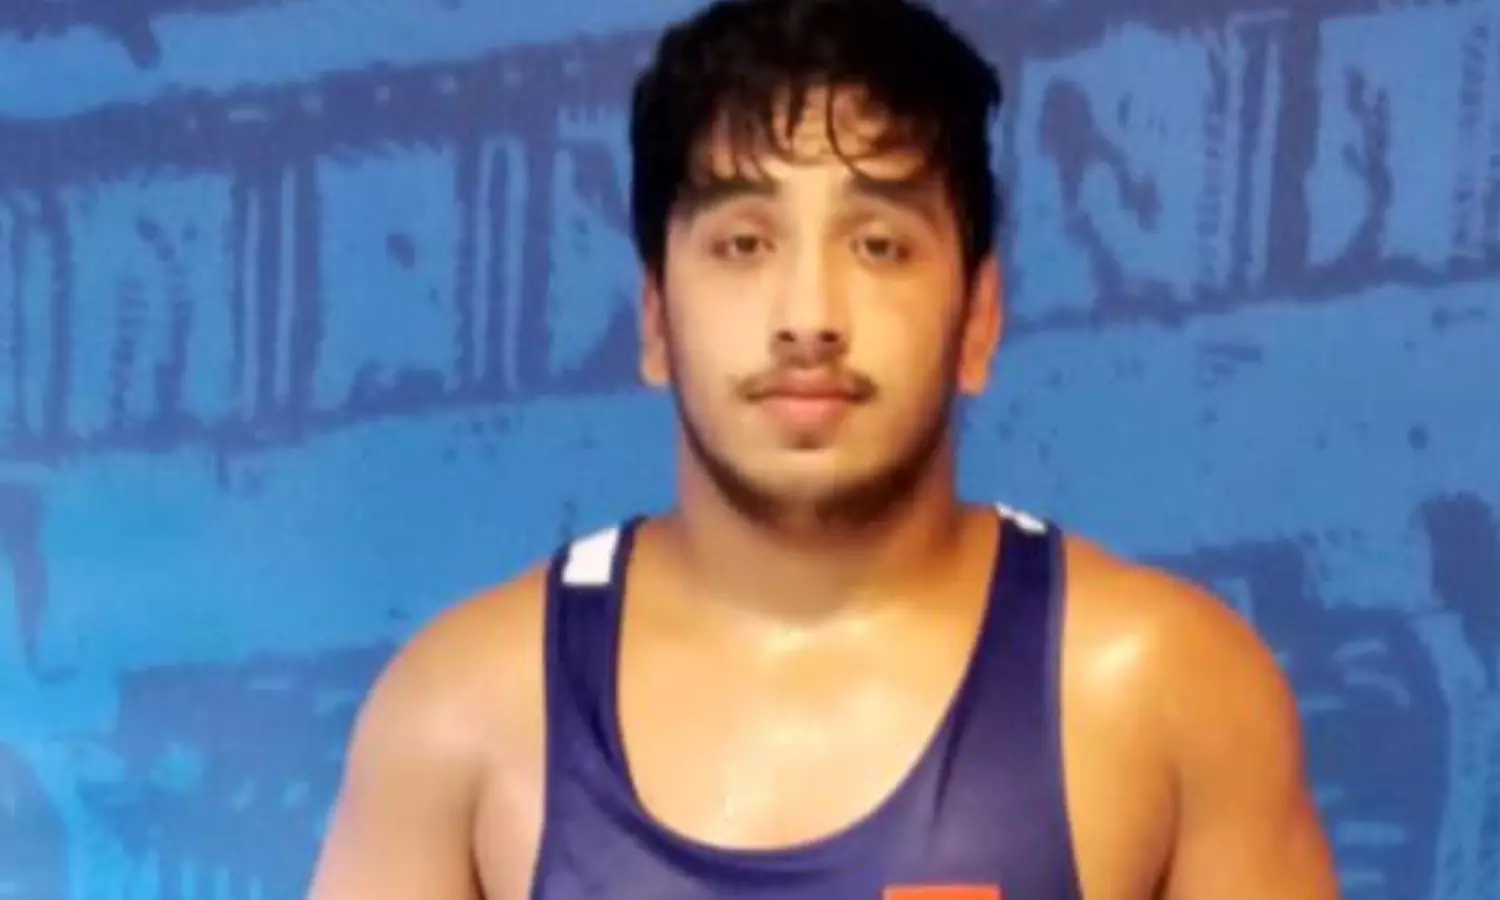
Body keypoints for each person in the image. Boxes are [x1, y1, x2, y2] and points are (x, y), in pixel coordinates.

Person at [307, 0, 1341, 897]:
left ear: (979, 319)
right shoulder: (460, 715)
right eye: (743, 245)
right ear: (656, 318)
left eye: (879, 246)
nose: (809, 315)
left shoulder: (1166, 692)